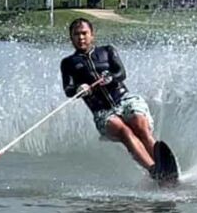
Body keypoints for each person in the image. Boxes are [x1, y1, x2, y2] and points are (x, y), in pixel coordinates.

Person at [60, 18, 163, 178]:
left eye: (84, 33)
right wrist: (79, 89)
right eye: (76, 34)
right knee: (125, 131)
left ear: (92, 35)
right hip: (102, 112)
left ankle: (163, 163)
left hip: (124, 99)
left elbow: (121, 73)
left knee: (140, 125)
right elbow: (68, 90)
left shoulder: (107, 51)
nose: (81, 38)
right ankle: (154, 171)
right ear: (71, 37)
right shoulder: (68, 63)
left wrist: (111, 78)